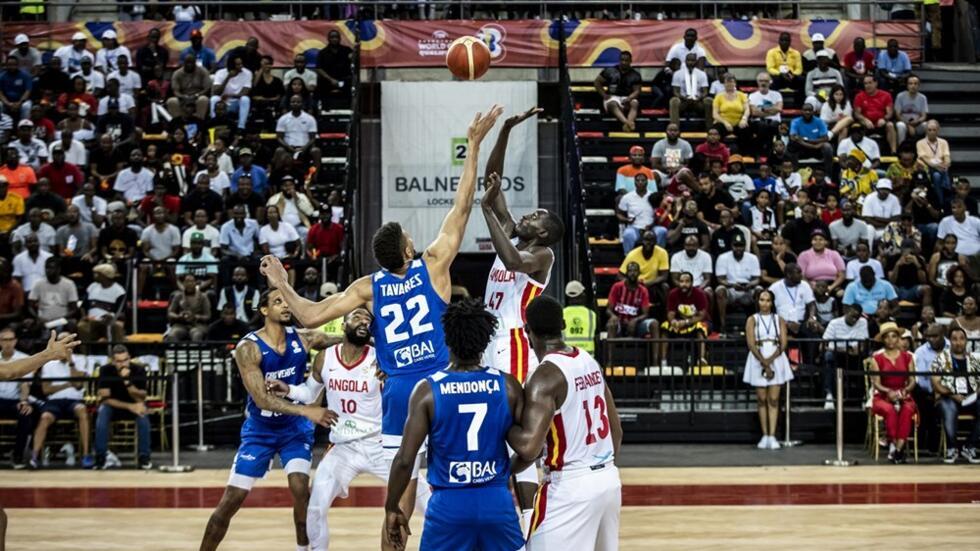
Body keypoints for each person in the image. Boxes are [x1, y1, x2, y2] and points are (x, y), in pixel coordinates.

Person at [261, 106, 501, 549]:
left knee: (400, 498)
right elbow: (462, 205)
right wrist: (473, 146)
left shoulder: (368, 287)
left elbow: (309, 316)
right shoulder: (433, 266)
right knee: (457, 476)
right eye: (409, 236)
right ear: (408, 249)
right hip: (437, 383)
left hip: (397, 393)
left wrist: (282, 283)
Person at [266, 307, 427, 551]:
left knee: (430, 502)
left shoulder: (382, 359)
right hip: (343, 447)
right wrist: (288, 390)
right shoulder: (325, 358)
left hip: (379, 445)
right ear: (343, 325)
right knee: (315, 508)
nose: (363, 321)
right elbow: (310, 393)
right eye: (357, 317)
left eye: (367, 319)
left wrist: (392, 375)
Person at [199, 289, 337, 551]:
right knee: (232, 499)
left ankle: (302, 548)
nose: (286, 306)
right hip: (260, 430)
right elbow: (262, 399)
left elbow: (343, 340)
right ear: (264, 310)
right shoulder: (248, 348)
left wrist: (376, 340)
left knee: (301, 490)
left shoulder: (304, 338)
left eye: (287, 302)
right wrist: (307, 411)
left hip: (294, 431)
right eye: (278, 302)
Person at [384, 299, 524, 551]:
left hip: (449, 505)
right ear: (486, 340)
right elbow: (529, 448)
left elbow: (405, 460)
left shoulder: (427, 390)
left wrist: (391, 506)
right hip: (496, 501)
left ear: (446, 338)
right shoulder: (508, 385)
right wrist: (503, 471)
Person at [506, 295, 622, 550]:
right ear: (563, 325)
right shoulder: (589, 361)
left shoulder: (544, 376)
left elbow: (529, 448)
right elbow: (617, 431)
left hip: (569, 487)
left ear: (527, 331)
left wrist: (504, 423)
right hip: (609, 480)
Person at [30, 331, 91, 469]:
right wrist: (67, 384)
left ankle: (86, 455)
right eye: (62, 342)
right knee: (45, 417)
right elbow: (46, 390)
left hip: (74, 400)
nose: (65, 345)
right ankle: (34, 456)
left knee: (82, 411)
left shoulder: (82, 359)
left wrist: (71, 362)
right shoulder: (48, 363)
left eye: (68, 342)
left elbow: (78, 384)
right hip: (54, 402)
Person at [743, 290, 792, 449]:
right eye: (762, 300)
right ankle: (764, 435)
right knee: (761, 399)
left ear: (772, 302)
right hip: (758, 356)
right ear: (758, 301)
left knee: (773, 399)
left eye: (768, 300)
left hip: (776, 357)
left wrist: (770, 361)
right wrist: (764, 363)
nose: (765, 303)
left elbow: (783, 343)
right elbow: (751, 343)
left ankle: (772, 435)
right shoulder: (752, 319)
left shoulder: (779, 319)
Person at [93, 345, 151, 469]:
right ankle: (100, 457)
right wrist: (129, 406)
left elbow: (141, 397)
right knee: (102, 412)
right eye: (119, 361)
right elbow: (105, 399)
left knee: (143, 414)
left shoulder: (139, 370)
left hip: (135, 405)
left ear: (129, 358)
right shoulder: (106, 370)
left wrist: (127, 381)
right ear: (113, 361)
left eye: (125, 360)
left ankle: (144, 457)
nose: (123, 364)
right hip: (113, 406)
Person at [929, 326, 980, 463]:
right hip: (948, 397)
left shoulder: (975, 359)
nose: (958, 342)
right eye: (955, 339)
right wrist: (953, 394)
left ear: (966, 341)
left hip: (971, 398)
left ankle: (970, 446)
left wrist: (975, 393)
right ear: (949, 341)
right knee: (949, 408)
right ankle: (952, 448)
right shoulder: (940, 359)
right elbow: (936, 384)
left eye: (962, 339)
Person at [870, 322, 917, 463]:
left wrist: (905, 390)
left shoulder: (907, 357)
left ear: (898, 338)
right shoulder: (876, 358)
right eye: (887, 337)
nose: (891, 340)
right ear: (883, 340)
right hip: (882, 396)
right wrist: (888, 391)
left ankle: (897, 450)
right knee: (890, 410)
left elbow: (912, 380)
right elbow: (876, 383)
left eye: (894, 336)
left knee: (907, 409)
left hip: (903, 394)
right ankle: (896, 448)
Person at [715, 233, 761, 332]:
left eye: (741, 245)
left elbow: (757, 279)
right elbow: (720, 279)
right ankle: (723, 325)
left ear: (745, 246)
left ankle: (759, 325)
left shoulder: (752, 258)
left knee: (760, 290)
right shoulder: (723, 258)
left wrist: (750, 285)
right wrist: (732, 285)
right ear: (731, 245)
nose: (738, 248)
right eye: (736, 245)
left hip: (748, 290)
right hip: (731, 289)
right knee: (720, 290)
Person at [0, 327, 32, 468]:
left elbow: (25, 384)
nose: (7, 343)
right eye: (4, 340)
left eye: (10, 339)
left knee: (25, 413)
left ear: (15, 341)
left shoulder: (24, 359)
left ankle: (18, 456)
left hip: (14, 401)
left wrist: (24, 401)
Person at [594, 51, 641, 132]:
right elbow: (597, 82)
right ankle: (628, 123)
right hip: (612, 97)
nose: (624, 62)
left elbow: (637, 90)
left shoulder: (635, 74)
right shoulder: (610, 70)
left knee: (635, 103)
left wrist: (630, 98)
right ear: (619, 60)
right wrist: (604, 94)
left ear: (630, 61)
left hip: (627, 97)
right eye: (622, 60)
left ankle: (627, 126)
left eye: (626, 60)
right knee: (612, 104)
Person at [606, 262, 652, 339]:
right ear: (626, 273)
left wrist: (635, 320)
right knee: (611, 324)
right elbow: (608, 310)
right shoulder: (617, 287)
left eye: (635, 271)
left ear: (639, 273)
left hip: (636, 324)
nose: (632, 273)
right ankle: (610, 347)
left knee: (654, 324)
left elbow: (645, 314)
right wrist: (613, 316)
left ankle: (657, 348)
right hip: (618, 322)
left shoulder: (643, 290)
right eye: (630, 271)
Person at [854, 75, 897, 154]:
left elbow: (890, 113)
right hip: (866, 122)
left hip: (881, 122)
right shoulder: (859, 96)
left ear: (876, 83)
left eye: (870, 83)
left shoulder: (886, 95)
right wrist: (865, 120)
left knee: (890, 125)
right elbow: (857, 113)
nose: (868, 85)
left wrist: (884, 119)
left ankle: (893, 151)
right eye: (865, 83)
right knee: (858, 125)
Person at [789, 102, 833, 176]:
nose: (807, 112)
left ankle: (828, 175)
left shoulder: (820, 121)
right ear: (801, 111)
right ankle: (794, 174)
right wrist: (811, 145)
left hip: (817, 148)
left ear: (813, 111)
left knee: (827, 147)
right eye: (805, 110)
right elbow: (793, 137)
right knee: (792, 145)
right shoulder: (795, 121)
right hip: (802, 148)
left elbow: (825, 138)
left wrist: (808, 141)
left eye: (810, 110)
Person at [670, 53, 711, 132]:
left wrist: (698, 98)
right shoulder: (677, 74)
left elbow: (705, 92)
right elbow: (675, 91)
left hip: (698, 101)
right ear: (685, 61)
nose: (690, 62)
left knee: (709, 100)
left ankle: (710, 130)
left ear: (696, 61)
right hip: (683, 101)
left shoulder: (702, 74)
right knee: (674, 100)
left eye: (692, 60)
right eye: (688, 60)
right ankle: (674, 130)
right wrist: (684, 98)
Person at [209, 56, 252, 131]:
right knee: (214, 99)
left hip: (237, 103)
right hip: (223, 103)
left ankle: (241, 127)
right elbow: (216, 92)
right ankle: (214, 123)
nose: (241, 66)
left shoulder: (247, 73)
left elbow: (245, 92)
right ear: (231, 66)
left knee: (245, 99)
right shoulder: (220, 73)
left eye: (241, 64)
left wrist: (230, 95)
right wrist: (228, 77)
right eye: (238, 64)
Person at [747, 72, 783, 158]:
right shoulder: (752, 96)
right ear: (757, 82)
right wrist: (772, 110)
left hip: (774, 122)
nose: (763, 83)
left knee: (772, 125)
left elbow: (778, 109)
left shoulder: (777, 94)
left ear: (770, 82)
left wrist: (761, 110)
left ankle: (766, 151)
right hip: (758, 122)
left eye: (766, 81)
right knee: (763, 125)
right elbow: (754, 112)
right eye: (761, 81)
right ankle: (763, 151)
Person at [711, 73, 749, 152]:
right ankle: (718, 152)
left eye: (731, 82)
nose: (729, 84)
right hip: (723, 122)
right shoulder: (719, 96)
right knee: (715, 132)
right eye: (727, 82)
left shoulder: (742, 95)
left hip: (738, 122)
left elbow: (747, 109)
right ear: (724, 84)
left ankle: (744, 153)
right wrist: (725, 123)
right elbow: (715, 114)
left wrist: (744, 119)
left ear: (735, 83)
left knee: (746, 130)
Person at [766, 32, 804, 104]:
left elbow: (799, 69)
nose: (784, 42)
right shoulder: (771, 52)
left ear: (790, 42)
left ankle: (799, 104)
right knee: (774, 80)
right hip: (779, 77)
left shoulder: (796, 53)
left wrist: (792, 74)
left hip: (792, 78)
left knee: (802, 80)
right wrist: (780, 74)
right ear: (779, 41)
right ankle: (774, 103)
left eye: (786, 40)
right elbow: (770, 68)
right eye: (782, 40)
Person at [563, 281, 597, 354]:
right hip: (587, 355)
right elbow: (596, 335)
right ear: (582, 295)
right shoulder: (591, 314)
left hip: (567, 355)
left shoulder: (562, 313)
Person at [894, 74, 928, 145]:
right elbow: (897, 115)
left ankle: (925, 147)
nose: (913, 86)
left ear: (919, 85)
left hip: (917, 124)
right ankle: (901, 147)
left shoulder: (923, 98)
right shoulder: (900, 96)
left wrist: (917, 122)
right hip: (904, 123)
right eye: (910, 83)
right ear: (907, 85)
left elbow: (924, 116)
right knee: (900, 125)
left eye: (915, 84)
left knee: (927, 125)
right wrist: (908, 125)